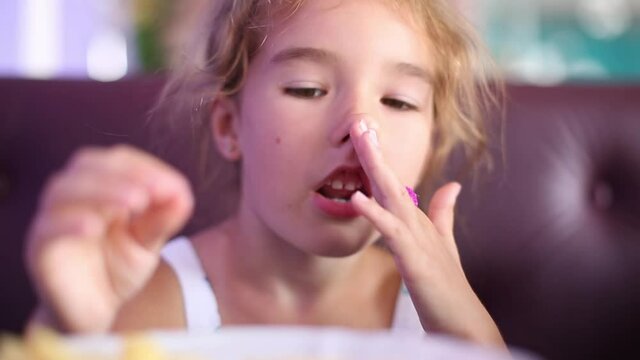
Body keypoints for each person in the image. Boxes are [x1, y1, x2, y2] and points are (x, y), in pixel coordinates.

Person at [25, 0, 506, 349]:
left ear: (433, 143)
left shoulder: (441, 315)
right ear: (229, 126)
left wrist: (469, 340)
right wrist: (70, 334)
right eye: (307, 89)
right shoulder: (151, 301)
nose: (361, 128)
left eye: (399, 101)